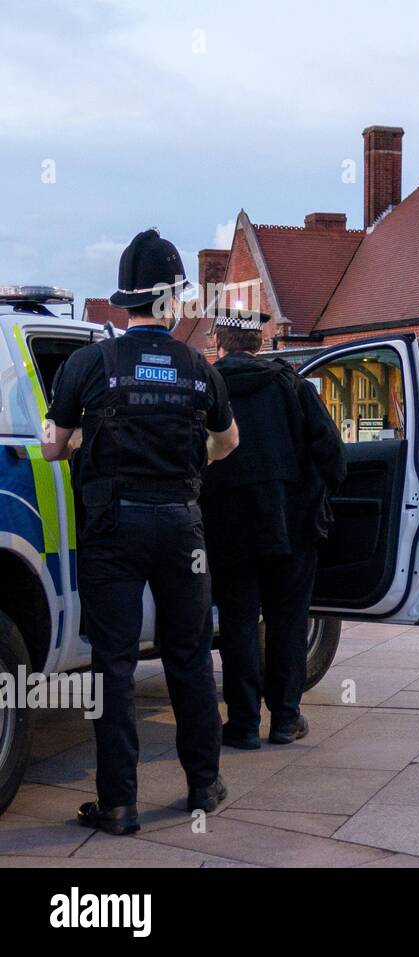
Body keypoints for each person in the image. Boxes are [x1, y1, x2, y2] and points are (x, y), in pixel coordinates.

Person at [41, 229, 240, 835]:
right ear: (171, 302)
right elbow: (227, 443)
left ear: (125, 303)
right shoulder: (198, 368)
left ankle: (119, 804)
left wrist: (83, 441)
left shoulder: (88, 363)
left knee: (114, 665)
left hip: (113, 528)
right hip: (182, 528)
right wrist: (185, 464)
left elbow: (51, 445)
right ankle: (203, 785)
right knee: (187, 657)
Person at [200, 309, 346, 750]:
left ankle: (242, 724)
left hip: (228, 529)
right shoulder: (292, 386)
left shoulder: (206, 389)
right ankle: (285, 719)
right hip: (293, 528)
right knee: (287, 621)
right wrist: (316, 497)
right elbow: (332, 454)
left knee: (239, 624)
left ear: (220, 344)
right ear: (259, 343)